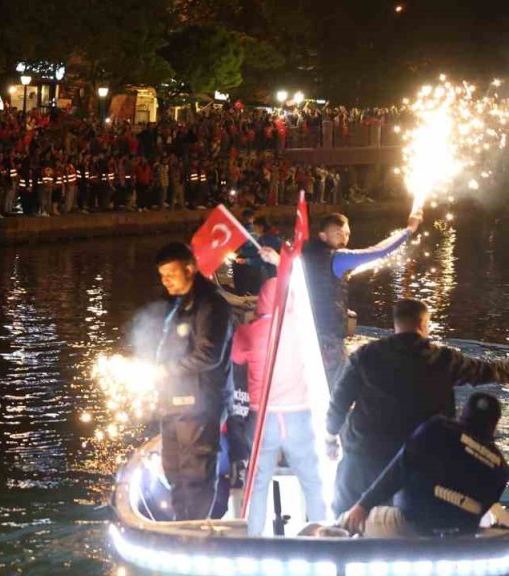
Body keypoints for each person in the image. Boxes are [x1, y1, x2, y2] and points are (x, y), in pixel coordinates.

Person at [326, 298, 509, 516]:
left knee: (345, 513)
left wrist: (330, 437)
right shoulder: (444, 360)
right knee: (408, 519)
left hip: (366, 456)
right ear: (423, 325)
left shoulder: (365, 356)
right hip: (419, 462)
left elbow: (339, 401)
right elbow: (485, 372)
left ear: (396, 324)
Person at [341, 392, 509, 538]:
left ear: (463, 412)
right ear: (493, 426)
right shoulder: (500, 467)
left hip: (408, 525)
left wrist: (364, 505)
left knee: (345, 521)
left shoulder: (439, 428)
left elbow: (399, 468)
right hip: (459, 537)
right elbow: (480, 509)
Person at [232, 278, 326, 535]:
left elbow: (236, 357)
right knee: (312, 482)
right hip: (299, 416)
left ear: (261, 299)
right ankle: (324, 539)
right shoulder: (301, 329)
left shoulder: (249, 332)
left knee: (258, 482)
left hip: (263, 419)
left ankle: (254, 540)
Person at [153, 241, 235, 521]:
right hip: (174, 402)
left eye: (171, 274)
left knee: (196, 474)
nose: (165, 281)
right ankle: (181, 524)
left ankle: (196, 531)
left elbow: (209, 355)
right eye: (161, 275)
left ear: (189, 269)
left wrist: (165, 370)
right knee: (174, 469)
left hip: (200, 403)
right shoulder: (179, 305)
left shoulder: (212, 304)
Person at [302, 211, 422, 384]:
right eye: (338, 233)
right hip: (328, 340)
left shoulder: (307, 255)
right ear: (323, 235)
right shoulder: (337, 258)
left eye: (347, 234)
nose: (344, 238)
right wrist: (409, 229)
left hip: (307, 333)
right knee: (336, 391)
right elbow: (379, 251)